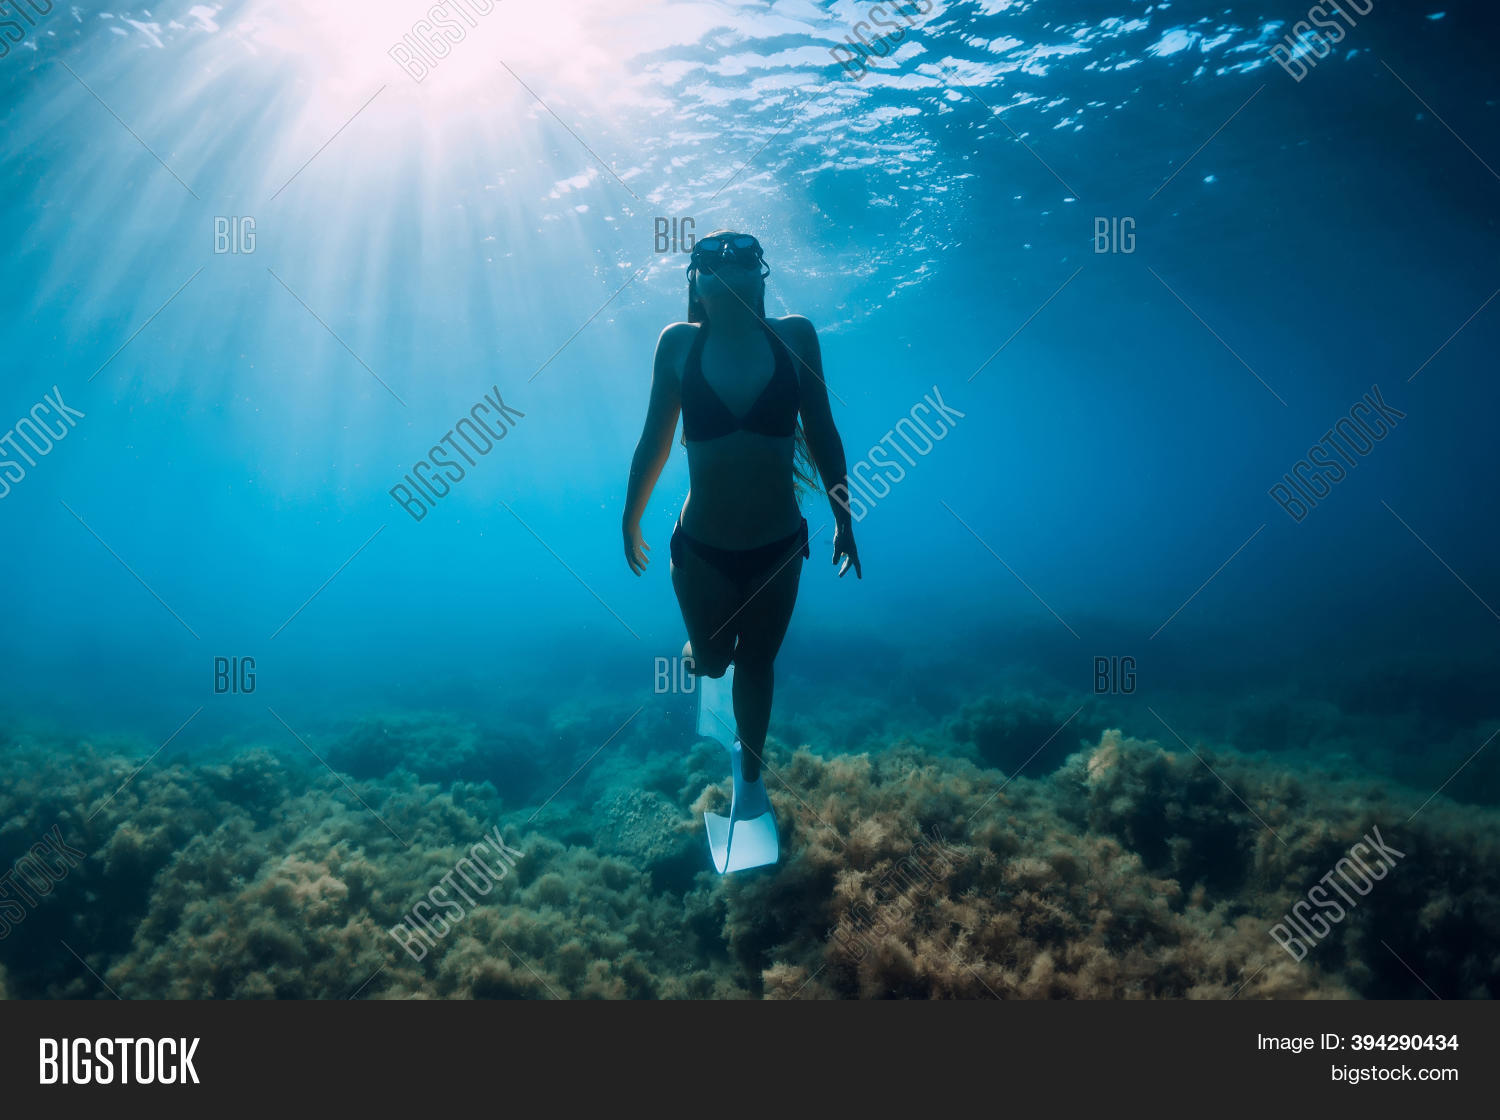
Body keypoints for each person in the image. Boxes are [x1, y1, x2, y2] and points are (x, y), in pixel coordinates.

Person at [622, 231, 861, 870]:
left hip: (779, 546)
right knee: (711, 665)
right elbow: (654, 444)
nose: (727, 270)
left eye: (741, 262)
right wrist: (630, 518)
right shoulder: (678, 344)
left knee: (757, 664)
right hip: (699, 548)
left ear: (762, 277)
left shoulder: (797, 337)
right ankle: (706, 661)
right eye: (711, 263)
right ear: (695, 284)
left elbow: (826, 433)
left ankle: (748, 784)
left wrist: (844, 519)